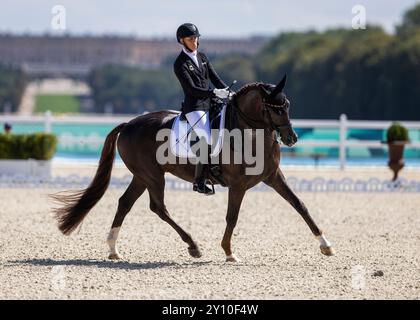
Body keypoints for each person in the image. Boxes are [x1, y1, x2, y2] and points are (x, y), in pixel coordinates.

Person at [173, 23, 230, 195]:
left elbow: (216, 78)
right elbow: (191, 89)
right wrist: (214, 93)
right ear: (182, 40)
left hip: (211, 103)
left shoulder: (203, 57)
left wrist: (229, 92)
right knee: (205, 138)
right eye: (191, 39)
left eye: (196, 38)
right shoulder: (180, 63)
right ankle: (199, 181)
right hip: (195, 107)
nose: (195, 41)